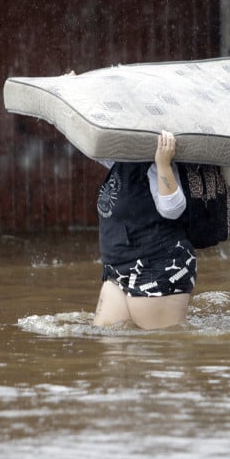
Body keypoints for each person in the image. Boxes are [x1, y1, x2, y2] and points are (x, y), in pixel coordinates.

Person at [92, 130, 196, 329]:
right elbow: (91, 146)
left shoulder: (155, 159)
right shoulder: (120, 158)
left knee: (157, 351)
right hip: (118, 268)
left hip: (157, 266)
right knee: (109, 342)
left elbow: (173, 209)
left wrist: (163, 164)